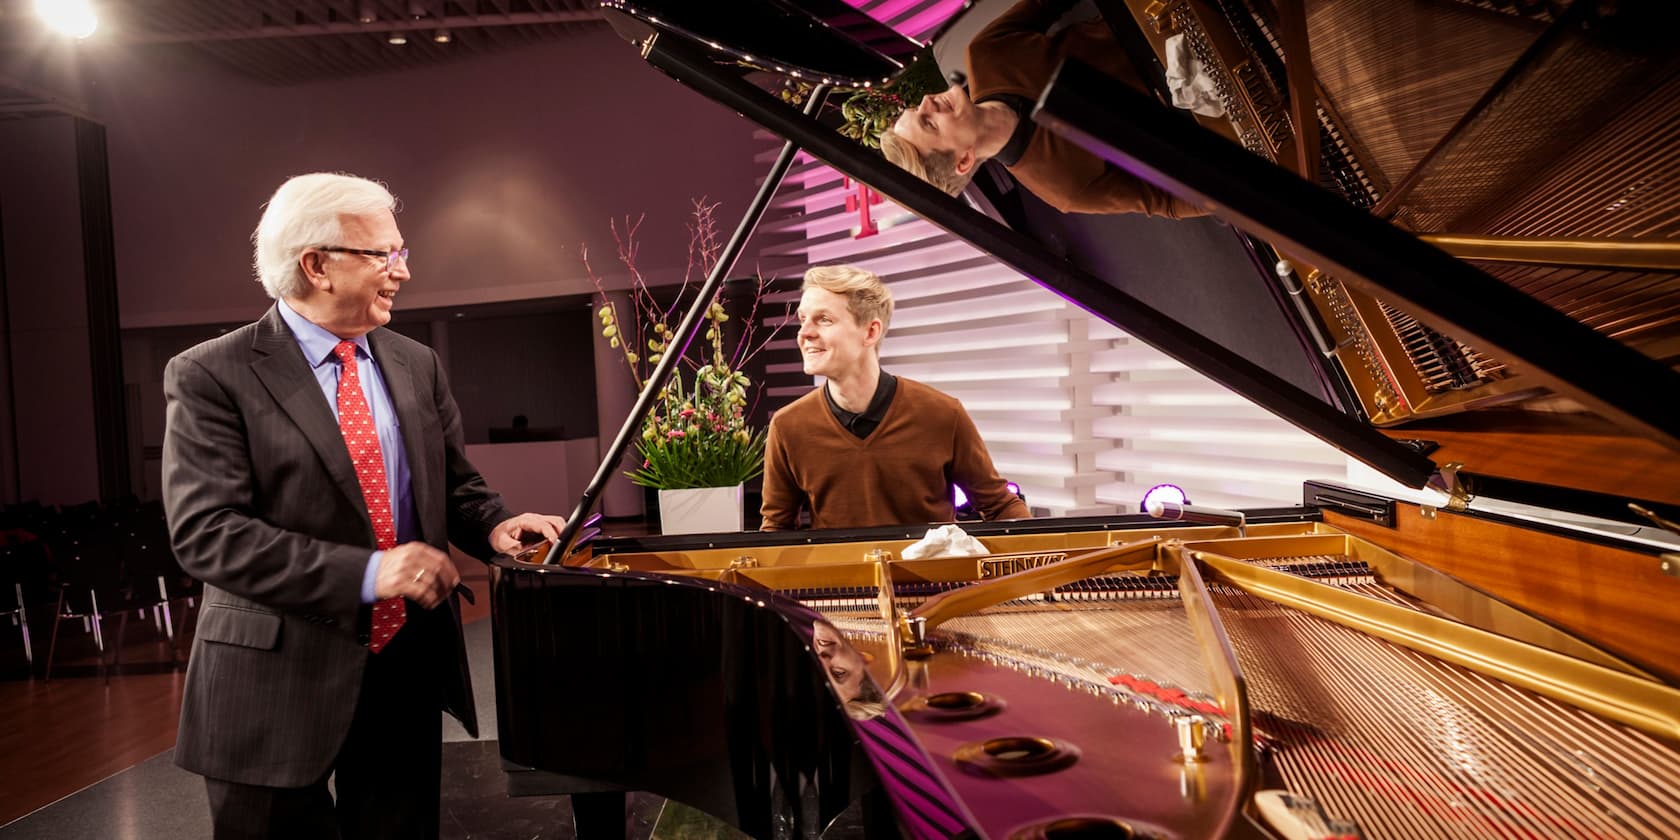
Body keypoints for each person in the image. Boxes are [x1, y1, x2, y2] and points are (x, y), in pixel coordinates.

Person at [162, 172, 569, 839]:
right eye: (384, 254)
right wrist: (369, 574)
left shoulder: (415, 363)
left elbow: (452, 485)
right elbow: (209, 534)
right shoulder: (211, 374)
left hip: (401, 664)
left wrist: (496, 524)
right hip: (271, 681)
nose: (402, 271)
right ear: (317, 265)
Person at [878, 0, 1209, 218]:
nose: (927, 102)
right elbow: (1168, 200)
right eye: (929, 123)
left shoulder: (986, 53)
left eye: (915, 107)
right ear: (963, 160)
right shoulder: (1064, 188)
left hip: (1164, 10)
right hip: (1211, 92)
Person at [759, 265, 1030, 530]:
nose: (804, 333)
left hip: (933, 576)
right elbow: (776, 530)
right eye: (802, 318)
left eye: (824, 319)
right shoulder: (788, 427)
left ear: (870, 332)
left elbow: (999, 506)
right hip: (839, 576)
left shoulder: (943, 414)